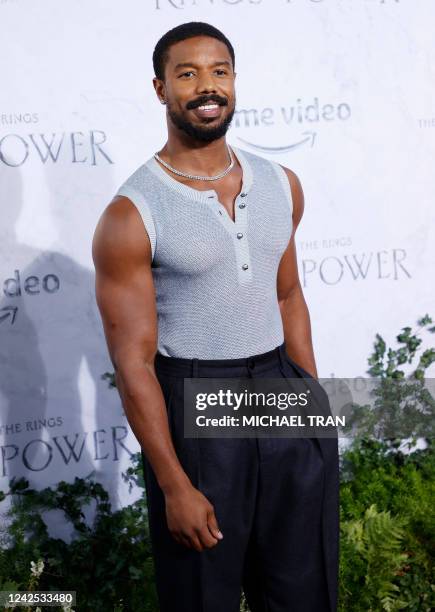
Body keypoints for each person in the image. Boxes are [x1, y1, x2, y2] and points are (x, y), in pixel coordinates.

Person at [92, 21, 339, 612]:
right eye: (188, 74)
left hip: (279, 390)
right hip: (197, 397)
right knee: (203, 591)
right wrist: (175, 485)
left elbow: (288, 298)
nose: (208, 87)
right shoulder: (131, 214)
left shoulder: (283, 183)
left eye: (219, 71)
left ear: (233, 81)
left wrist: (310, 407)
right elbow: (133, 364)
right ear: (160, 89)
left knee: (304, 587)